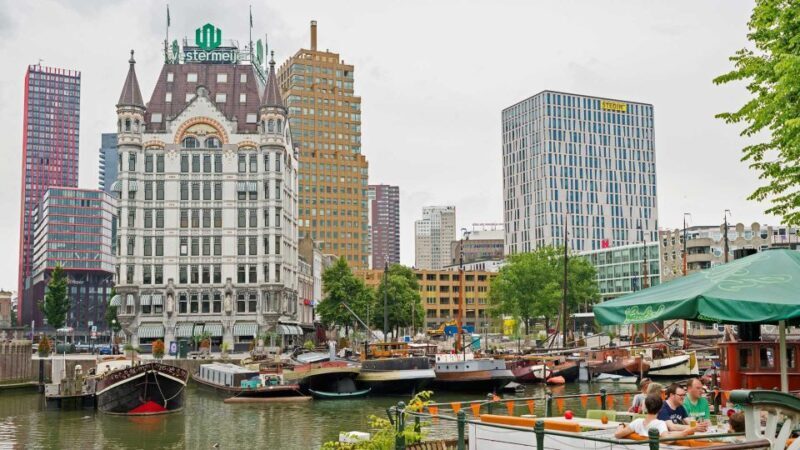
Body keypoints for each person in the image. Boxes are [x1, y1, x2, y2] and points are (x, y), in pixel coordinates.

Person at [616, 395, 697, 439]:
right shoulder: (660, 424)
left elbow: (618, 435)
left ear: (646, 408)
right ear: (660, 409)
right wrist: (685, 432)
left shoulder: (637, 421)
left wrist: (621, 425)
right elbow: (667, 439)